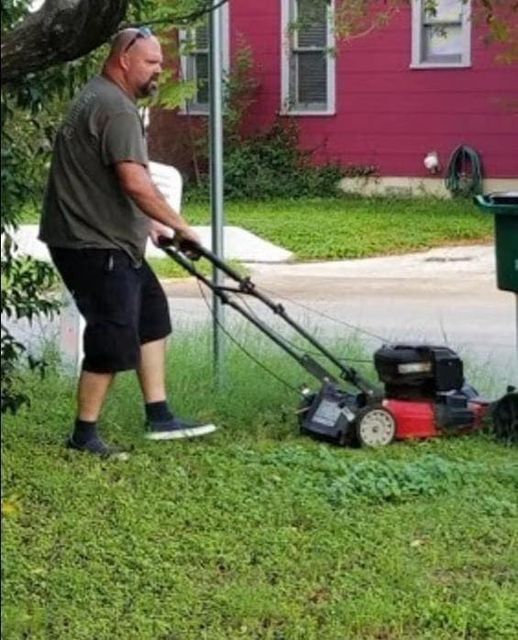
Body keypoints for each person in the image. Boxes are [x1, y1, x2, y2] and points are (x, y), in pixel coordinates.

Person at [39, 28, 216, 456]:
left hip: (106, 236)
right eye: (151, 62)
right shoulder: (116, 108)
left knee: (151, 316)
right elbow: (134, 181)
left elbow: (99, 175)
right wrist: (180, 225)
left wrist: (148, 225)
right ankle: (84, 435)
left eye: (160, 62)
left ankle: (160, 415)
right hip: (91, 242)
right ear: (124, 60)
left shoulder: (97, 96)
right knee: (113, 336)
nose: (160, 69)